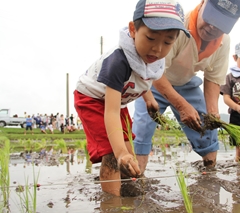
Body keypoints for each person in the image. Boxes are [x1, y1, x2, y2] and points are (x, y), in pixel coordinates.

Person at [74, 0, 190, 196]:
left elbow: (142, 77)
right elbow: (110, 111)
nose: (158, 49)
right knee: (113, 152)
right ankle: (112, 204)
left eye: (168, 42)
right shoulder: (119, 61)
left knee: (129, 148)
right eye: (151, 38)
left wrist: (149, 98)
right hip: (93, 99)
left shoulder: (153, 60)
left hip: (117, 101)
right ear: (133, 30)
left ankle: (129, 187)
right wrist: (120, 153)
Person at [132, 0, 240, 173]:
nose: (212, 27)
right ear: (202, 5)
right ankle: (136, 176)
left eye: (220, 24)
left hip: (187, 84)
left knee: (207, 129)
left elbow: (213, 79)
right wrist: (181, 105)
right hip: (154, 82)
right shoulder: (178, 26)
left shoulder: (224, 42)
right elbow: (155, 71)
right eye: (210, 18)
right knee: (142, 128)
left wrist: (213, 112)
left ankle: (210, 175)